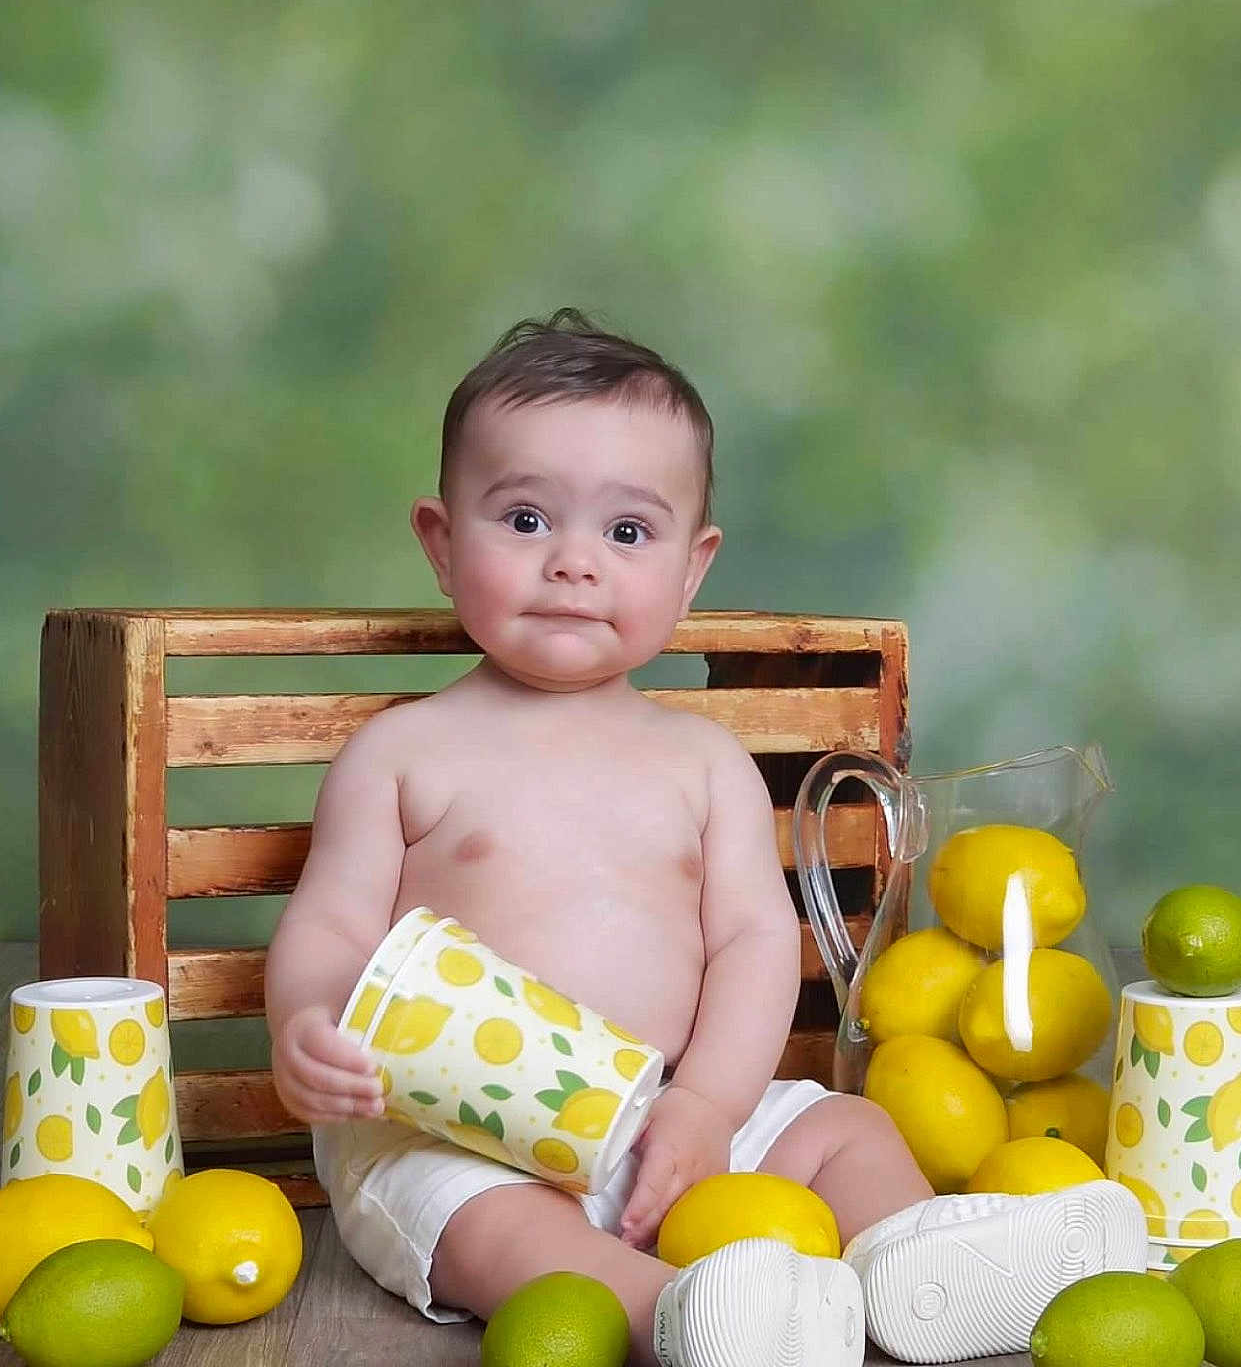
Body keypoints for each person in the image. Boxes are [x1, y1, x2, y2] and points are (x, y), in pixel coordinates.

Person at [264, 309, 1146, 1366]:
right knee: (499, 1233)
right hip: (457, 1136)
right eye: (527, 520)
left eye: (627, 533)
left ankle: (921, 1266)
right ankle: (683, 1315)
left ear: (692, 568)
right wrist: (308, 1026)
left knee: (846, 1130)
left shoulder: (705, 765)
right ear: (443, 544)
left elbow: (752, 946)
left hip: (668, 1110)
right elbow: (329, 925)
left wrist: (707, 1107)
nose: (574, 564)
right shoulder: (403, 755)